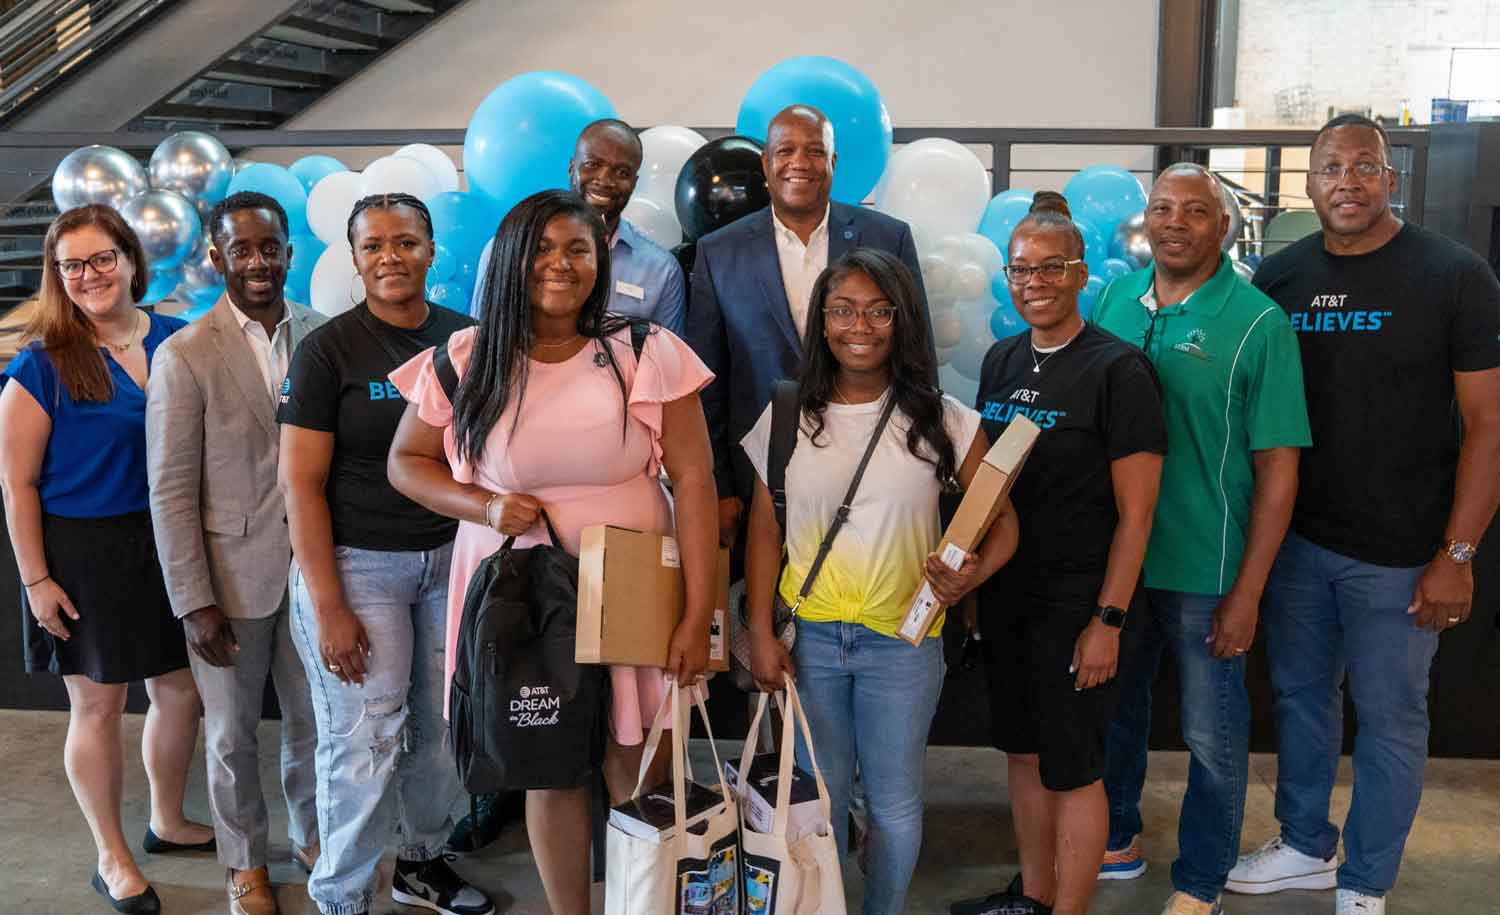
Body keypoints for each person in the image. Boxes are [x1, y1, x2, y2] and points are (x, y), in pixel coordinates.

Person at [387, 188, 719, 915]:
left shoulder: (643, 350)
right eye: (542, 248)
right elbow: (406, 463)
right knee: (549, 767)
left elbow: (695, 481)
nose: (560, 265)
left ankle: (646, 904)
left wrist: (701, 613)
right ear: (510, 259)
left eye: (578, 249)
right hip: (522, 597)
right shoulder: (467, 358)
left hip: (633, 583)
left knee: (642, 766)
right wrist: (485, 504)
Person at [1230, 115, 1500, 915]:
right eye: (1330, 168)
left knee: (1389, 719)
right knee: (1302, 701)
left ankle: (1366, 881)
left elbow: (1488, 422)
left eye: (1364, 166)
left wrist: (1458, 551)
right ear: (1308, 184)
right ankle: (1307, 846)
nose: (1346, 181)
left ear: (1391, 178)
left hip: (1402, 555)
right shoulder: (1278, 279)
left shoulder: (1454, 274)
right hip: (1298, 544)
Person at [743, 248, 1017, 915]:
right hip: (808, 640)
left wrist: (977, 569)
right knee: (822, 800)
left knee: (893, 802)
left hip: (904, 640)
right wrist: (757, 628)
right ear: (822, 320)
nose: (858, 324)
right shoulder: (786, 415)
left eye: (877, 309)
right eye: (842, 309)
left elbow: (1004, 521)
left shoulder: (943, 419)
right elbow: (762, 533)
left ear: (901, 319)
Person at [1091, 164, 1312, 915]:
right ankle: (1116, 836)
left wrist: (1248, 591)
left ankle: (1201, 879)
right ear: (1144, 221)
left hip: (1205, 566)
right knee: (1116, 708)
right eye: (1162, 208)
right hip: (1120, 563)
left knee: (1211, 736)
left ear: (1224, 227)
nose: (1175, 222)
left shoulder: (1258, 323)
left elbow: (1279, 472)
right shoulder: (1116, 298)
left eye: (1195, 210)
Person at [950, 195, 1166, 915]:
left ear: (1080, 275)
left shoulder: (1119, 370)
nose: (1033, 281)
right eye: (1020, 268)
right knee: (1022, 753)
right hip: (1009, 595)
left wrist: (1108, 617)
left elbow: (1137, 514)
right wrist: (977, 588)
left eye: (1051, 268)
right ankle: (1034, 897)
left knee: (1074, 767)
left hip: (1080, 601)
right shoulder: (1002, 360)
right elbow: (987, 489)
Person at [277, 193, 491, 915]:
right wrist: (329, 604)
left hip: (448, 563)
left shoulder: (468, 340)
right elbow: (300, 485)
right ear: (355, 259)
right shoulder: (328, 351)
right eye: (373, 246)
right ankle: (340, 896)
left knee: (438, 734)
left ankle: (422, 862)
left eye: (405, 242)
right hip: (356, 566)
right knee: (365, 739)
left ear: (432, 251)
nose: (390, 257)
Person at [0, 204, 212, 915]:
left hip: (171, 541)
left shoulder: (180, 339)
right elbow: (16, 482)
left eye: (100, 258)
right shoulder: (41, 363)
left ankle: (166, 819)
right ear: (58, 277)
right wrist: (36, 579)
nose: (87, 274)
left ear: (128, 259)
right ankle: (110, 854)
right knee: (98, 705)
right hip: (86, 549)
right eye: (72, 265)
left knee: (181, 688)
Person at [145, 191, 326, 915]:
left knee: (317, 726)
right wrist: (193, 600)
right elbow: (169, 489)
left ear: (289, 251)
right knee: (230, 735)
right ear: (217, 257)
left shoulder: (322, 334)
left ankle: (315, 841)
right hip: (228, 584)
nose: (257, 262)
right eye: (241, 249)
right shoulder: (184, 353)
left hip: (316, 575)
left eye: (270, 247)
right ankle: (245, 863)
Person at [686, 104, 931, 556]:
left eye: (815, 151)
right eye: (786, 150)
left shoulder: (888, 238)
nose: (800, 162)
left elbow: (917, 357)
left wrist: (921, 465)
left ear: (834, 163)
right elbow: (706, 385)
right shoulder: (718, 253)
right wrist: (718, 486)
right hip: (757, 479)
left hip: (874, 468)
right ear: (766, 164)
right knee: (762, 609)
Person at [469, 118, 686, 333]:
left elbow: (668, 362)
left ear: (634, 183)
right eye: (593, 164)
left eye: (621, 172)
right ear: (572, 168)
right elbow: (482, 341)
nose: (604, 180)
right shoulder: (510, 247)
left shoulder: (661, 270)